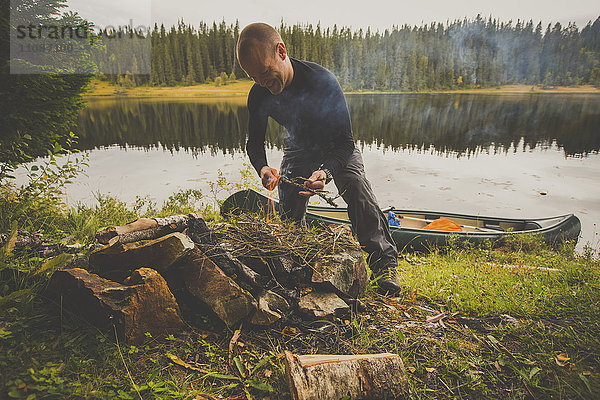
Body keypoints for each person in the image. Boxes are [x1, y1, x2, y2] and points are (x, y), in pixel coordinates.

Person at [236, 22, 402, 295]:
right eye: (253, 77)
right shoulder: (259, 94)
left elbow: (346, 142)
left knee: (355, 185)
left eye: (265, 72)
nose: (262, 82)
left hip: (335, 146)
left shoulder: (321, 81)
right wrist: (262, 167)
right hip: (298, 147)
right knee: (289, 205)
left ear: (281, 51)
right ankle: (298, 259)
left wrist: (325, 172)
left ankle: (384, 263)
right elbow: (254, 143)